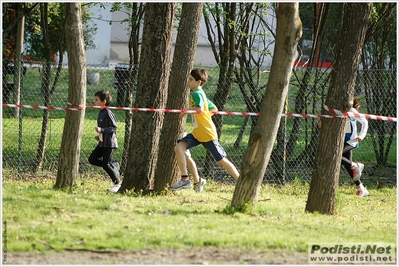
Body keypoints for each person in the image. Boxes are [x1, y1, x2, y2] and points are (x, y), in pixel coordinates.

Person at [170, 69, 240, 191]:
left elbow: (200, 109)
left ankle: (241, 182)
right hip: (197, 133)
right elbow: (214, 109)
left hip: (207, 134)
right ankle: (185, 179)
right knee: (178, 148)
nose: (188, 82)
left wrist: (186, 111)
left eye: (191, 80)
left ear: (199, 82)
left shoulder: (197, 93)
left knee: (221, 161)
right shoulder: (200, 93)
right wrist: (203, 118)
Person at [88, 90, 121, 193]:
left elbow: (114, 128)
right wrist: (99, 135)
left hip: (110, 144)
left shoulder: (108, 112)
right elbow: (104, 127)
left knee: (106, 164)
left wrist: (102, 130)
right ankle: (114, 166)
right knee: (92, 159)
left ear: (104, 101)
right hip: (102, 143)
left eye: (96, 100)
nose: (94, 102)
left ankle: (117, 183)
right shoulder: (100, 113)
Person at [342, 97, 369, 197]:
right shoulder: (336, 109)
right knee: (348, 166)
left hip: (351, 140)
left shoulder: (351, 110)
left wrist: (361, 135)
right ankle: (362, 188)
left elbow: (364, 122)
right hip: (341, 140)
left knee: (336, 157)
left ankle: (356, 165)